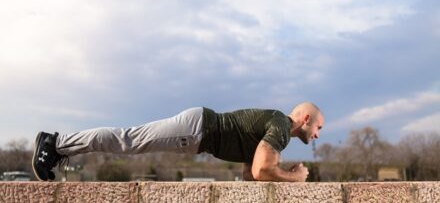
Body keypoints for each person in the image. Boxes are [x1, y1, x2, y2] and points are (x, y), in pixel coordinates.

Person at [32, 102, 324, 182]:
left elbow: (251, 174)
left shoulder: (275, 129)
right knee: (128, 140)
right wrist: (295, 177)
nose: (318, 135)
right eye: (319, 127)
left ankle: (58, 145)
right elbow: (262, 172)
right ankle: (56, 143)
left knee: (128, 140)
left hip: (198, 129)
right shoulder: (281, 126)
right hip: (197, 130)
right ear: (306, 119)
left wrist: (280, 173)